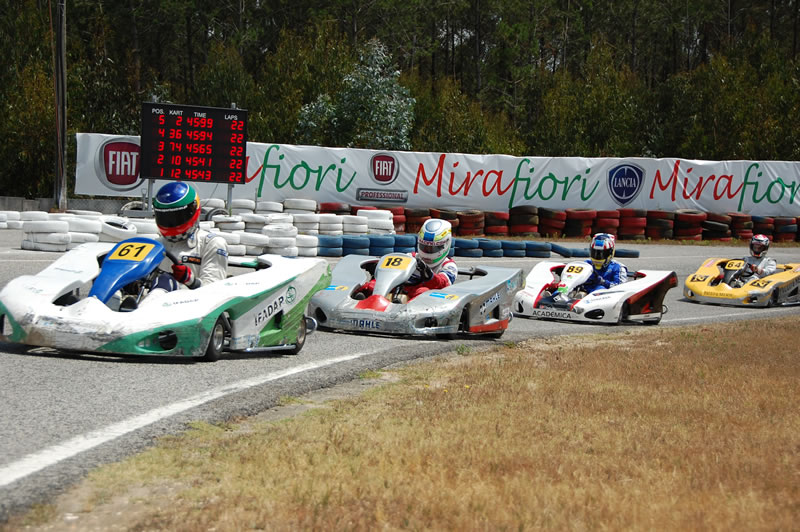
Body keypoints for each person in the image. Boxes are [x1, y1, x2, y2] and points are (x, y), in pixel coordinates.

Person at [150, 182, 228, 294]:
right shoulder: (156, 245)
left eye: (177, 217)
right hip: (155, 302)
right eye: (165, 217)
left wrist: (191, 281)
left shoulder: (212, 243)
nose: (171, 223)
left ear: (193, 210)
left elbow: (214, 291)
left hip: (192, 306)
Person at [355, 218, 458, 303]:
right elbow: (392, 269)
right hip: (403, 289)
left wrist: (429, 275)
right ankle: (359, 301)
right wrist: (377, 267)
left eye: (432, 249)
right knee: (373, 284)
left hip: (431, 300)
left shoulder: (449, 266)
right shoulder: (411, 257)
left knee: (423, 292)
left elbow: (443, 284)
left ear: (445, 245)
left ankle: (403, 310)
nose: (427, 251)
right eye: (424, 246)